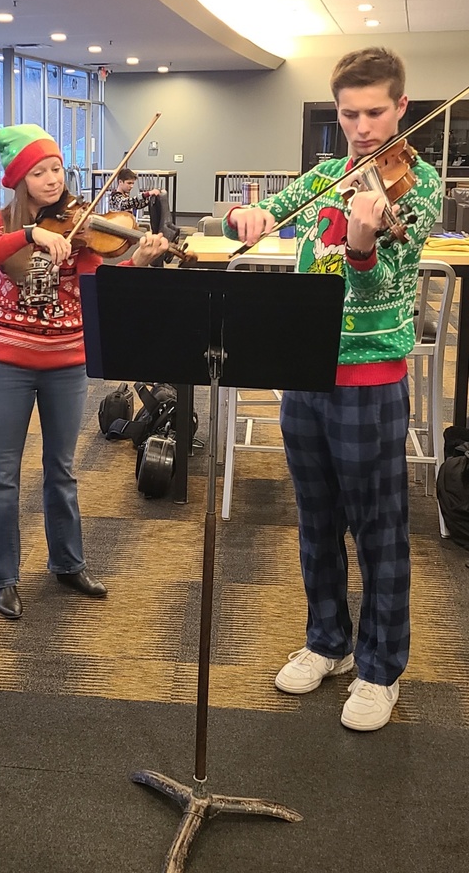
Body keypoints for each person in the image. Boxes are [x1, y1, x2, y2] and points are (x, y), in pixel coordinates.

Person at [224, 48, 442, 732]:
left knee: (379, 529)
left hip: (370, 379)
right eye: (350, 113)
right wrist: (247, 218)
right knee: (315, 522)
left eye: (375, 112)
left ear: (401, 107)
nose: (363, 127)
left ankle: (382, 667)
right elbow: (266, 210)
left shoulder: (420, 185)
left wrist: (363, 243)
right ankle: (329, 642)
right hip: (304, 373)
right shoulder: (326, 176)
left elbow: (380, 284)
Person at [0, 125, 168, 619]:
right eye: (40, 172)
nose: (53, 179)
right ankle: (0, 575)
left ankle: (68, 563)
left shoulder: (79, 227)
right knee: (3, 472)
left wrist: (137, 260)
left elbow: (101, 283)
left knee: (62, 469)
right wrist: (28, 234)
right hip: (10, 363)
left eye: (56, 168)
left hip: (66, 364)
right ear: (19, 180)